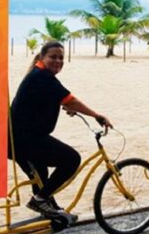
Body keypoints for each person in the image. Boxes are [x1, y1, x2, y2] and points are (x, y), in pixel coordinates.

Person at [9, 41, 113, 219]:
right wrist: (96, 115)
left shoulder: (39, 75)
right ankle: (41, 200)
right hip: (23, 140)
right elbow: (70, 100)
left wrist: (64, 106)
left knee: (41, 173)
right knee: (71, 159)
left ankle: (51, 211)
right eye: (53, 57)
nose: (58, 61)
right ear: (42, 57)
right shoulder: (42, 77)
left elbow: (48, 100)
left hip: (20, 138)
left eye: (61, 58)